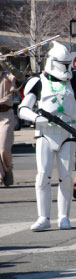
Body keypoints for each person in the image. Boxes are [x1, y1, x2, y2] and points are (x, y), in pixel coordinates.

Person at [18, 28, 76, 231]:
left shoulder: (74, 80)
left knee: (66, 177)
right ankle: (43, 216)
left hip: (67, 134)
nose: (66, 68)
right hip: (45, 133)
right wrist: (37, 118)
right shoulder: (38, 82)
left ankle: (63, 217)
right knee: (43, 175)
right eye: (63, 64)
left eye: (68, 64)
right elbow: (23, 109)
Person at [0, 58, 25, 186]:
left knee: (4, 148)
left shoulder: (7, 75)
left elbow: (21, 79)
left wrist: (10, 67)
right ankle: (1, 176)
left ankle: (8, 169)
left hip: (5, 114)